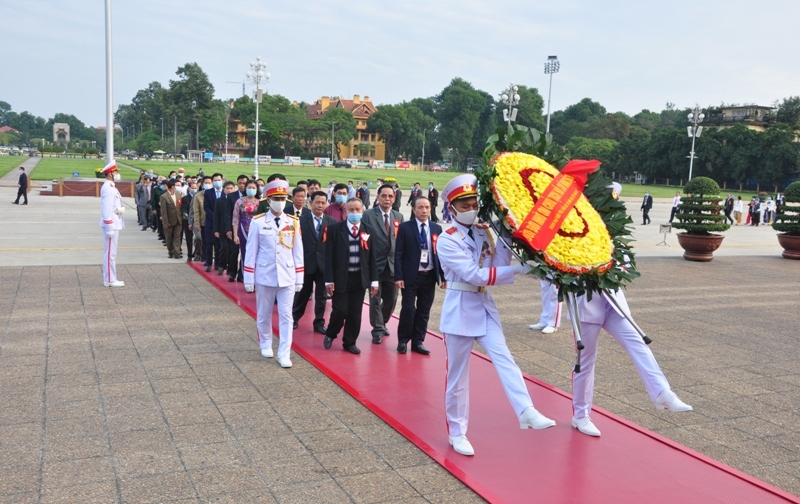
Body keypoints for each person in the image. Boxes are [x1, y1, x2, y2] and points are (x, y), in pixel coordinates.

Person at [437, 174, 555, 457]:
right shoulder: (446, 239)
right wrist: (519, 270)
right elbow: (474, 273)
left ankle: (526, 410)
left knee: (505, 359)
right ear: (452, 208)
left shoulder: (482, 230)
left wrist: (504, 231)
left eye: (473, 202)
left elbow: (498, 263)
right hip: (459, 308)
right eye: (463, 204)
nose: (470, 208)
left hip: (483, 304)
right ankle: (457, 432)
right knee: (457, 378)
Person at [570, 290, 693, 436]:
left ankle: (662, 392)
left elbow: (626, 266)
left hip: (613, 303)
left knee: (638, 343)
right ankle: (580, 415)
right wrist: (557, 276)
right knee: (585, 360)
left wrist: (621, 267)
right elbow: (539, 269)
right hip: (585, 306)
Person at [243, 180, 304, 368]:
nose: (280, 202)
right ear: (268, 200)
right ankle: (265, 342)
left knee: (287, 316)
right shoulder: (258, 221)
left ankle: (284, 353)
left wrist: (299, 277)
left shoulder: (293, 222)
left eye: (283, 198)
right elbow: (251, 250)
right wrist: (248, 277)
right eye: (276, 198)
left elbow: (298, 252)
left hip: (286, 274)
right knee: (264, 313)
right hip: (265, 274)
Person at [323, 198, 379, 354]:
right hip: (341, 277)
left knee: (355, 313)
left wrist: (374, 281)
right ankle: (330, 333)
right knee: (340, 310)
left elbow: (372, 258)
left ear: (362, 210)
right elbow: (329, 257)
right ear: (346, 211)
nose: (355, 213)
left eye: (358, 210)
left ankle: (349, 342)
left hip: (359, 279)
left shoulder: (368, 230)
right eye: (351, 210)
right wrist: (329, 280)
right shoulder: (334, 229)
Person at [394, 197, 444, 355]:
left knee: (424, 310)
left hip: (429, 276)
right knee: (408, 309)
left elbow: (441, 255)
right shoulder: (405, 228)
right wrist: (398, 276)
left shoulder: (436, 228)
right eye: (421, 207)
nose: (424, 211)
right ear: (414, 210)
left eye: (427, 207)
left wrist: (443, 276)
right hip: (410, 276)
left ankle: (418, 341)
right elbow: (399, 254)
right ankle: (403, 340)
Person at [362, 184, 404, 344]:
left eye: (390, 196)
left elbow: (399, 241)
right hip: (375, 265)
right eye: (384, 196)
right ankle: (377, 329)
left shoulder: (398, 217)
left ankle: (383, 321)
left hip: (392, 265)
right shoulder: (368, 215)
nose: (387, 199)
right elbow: (364, 239)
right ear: (378, 197)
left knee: (391, 299)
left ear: (394, 198)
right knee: (374, 298)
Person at [293, 191, 335, 333]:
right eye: (317, 202)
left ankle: (319, 323)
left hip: (324, 265)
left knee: (322, 296)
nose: (320, 205)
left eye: (323, 203)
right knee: (302, 294)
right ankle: (294, 317)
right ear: (310, 203)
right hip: (306, 263)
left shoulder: (331, 222)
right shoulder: (300, 221)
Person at [99, 161, 125, 287]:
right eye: (116, 172)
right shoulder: (108, 187)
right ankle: (110, 279)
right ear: (110, 174)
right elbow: (106, 208)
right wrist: (109, 225)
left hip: (115, 222)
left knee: (111, 252)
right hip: (111, 224)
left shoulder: (111, 186)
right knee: (110, 253)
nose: (117, 174)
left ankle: (110, 277)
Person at [232, 180, 261, 280]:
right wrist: (235, 235)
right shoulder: (240, 201)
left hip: (257, 231)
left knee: (257, 254)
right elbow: (235, 219)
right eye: (249, 187)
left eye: (253, 188)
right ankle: (245, 277)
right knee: (245, 252)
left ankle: (256, 277)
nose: (251, 189)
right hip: (243, 230)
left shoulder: (260, 202)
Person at [214, 181, 237, 277]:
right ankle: (221, 265)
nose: (229, 190)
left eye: (231, 188)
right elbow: (216, 216)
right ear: (224, 190)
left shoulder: (237, 200)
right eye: (227, 188)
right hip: (222, 228)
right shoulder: (220, 201)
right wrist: (216, 230)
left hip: (234, 228)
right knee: (223, 248)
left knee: (233, 250)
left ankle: (231, 268)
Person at [203, 173, 224, 272]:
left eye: (219, 180)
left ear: (222, 180)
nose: (217, 182)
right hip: (210, 222)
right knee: (209, 243)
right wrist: (214, 216)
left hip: (221, 223)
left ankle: (218, 264)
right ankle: (208, 263)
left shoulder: (226, 192)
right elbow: (206, 207)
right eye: (215, 180)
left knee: (218, 244)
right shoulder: (208, 192)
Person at [160, 179, 183, 259]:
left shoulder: (178, 194)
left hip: (178, 219)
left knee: (177, 236)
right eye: (175, 186)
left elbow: (180, 205)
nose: (176, 187)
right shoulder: (164, 196)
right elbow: (163, 210)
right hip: (169, 220)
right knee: (169, 237)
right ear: (172, 186)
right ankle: (170, 251)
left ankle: (177, 252)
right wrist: (165, 222)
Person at [181, 181, 197, 261]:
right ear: (189, 188)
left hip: (197, 221)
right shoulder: (185, 198)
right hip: (188, 221)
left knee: (198, 238)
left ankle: (197, 253)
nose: (194, 190)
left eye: (195, 188)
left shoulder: (199, 197)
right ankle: (190, 254)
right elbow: (183, 209)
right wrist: (186, 215)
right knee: (189, 238)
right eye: (192, 188)